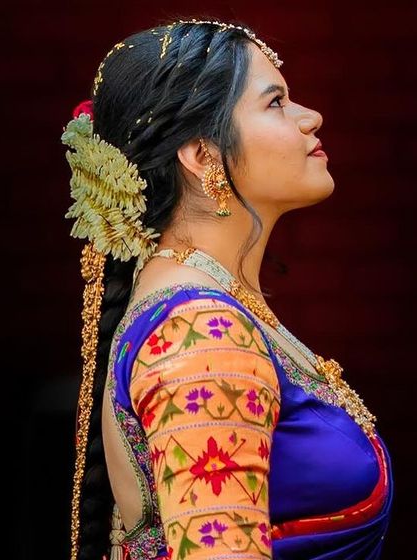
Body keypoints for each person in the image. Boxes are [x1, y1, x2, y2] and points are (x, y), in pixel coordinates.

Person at [61, 18, 394, 560]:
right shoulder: (199, 335)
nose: (311, 118)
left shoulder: (204, 301)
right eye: (276, 103)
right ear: (202, 157)